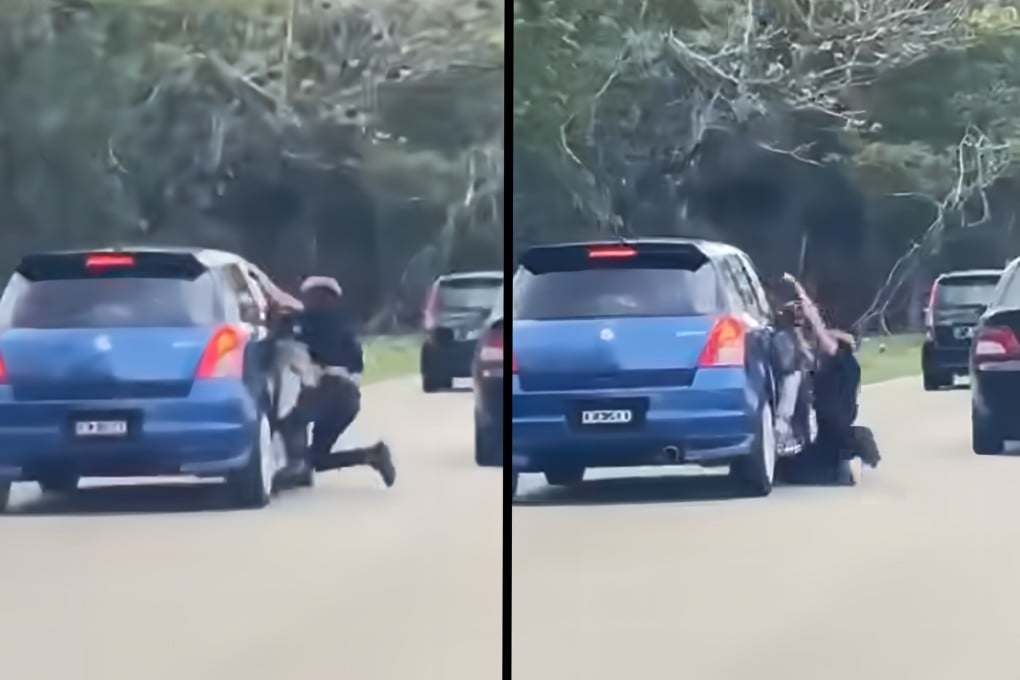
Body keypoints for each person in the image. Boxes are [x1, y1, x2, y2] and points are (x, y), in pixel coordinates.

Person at [265, 273, 396, 487]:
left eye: (312, 295)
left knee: (290, 421)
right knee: (317, 457)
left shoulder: (313, 321)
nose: (307, 300)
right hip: (348, 398)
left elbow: (288, 331)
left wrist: (277, 319)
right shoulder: (345, 325)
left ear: (328, 298)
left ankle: (298, 467)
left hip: (330, 390)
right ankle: (371, 455)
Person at [778, 273, 880, 484]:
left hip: (831, 433)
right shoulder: (830, 363)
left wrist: (806, 303)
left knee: (802, 470)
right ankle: (842, 469)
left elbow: (825, 339)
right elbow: (806, 349)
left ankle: (843, 467)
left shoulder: (845, 363)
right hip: (825, 436)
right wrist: (796, 327)